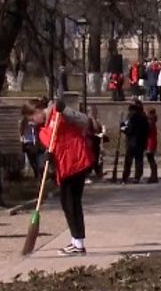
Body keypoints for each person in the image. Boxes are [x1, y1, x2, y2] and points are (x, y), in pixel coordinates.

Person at [21, 96, 95, 256]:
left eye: (32, 118)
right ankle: (76, 241)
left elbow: (84, 121)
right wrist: (48, 156)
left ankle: (78, 243)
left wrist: (65, 110)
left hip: (77, 160)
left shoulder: (58, 113)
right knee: (67, 203)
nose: (32, 122)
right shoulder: (42, 131)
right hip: (65, 167)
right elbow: (52, 148)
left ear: (38, 110)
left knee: (72, 202)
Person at [121, 102, 150, 184]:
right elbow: (147, 130)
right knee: (139, 160)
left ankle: (125, 177)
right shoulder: (143, 118)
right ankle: (137, 177)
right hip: (140, 143)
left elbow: (129, 130)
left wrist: (122, 127)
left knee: (128, 161)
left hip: (132, 143)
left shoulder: (132, 118)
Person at [20, 111, 44, 178]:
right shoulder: (24, 122)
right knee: (31, 159)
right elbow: (22, 132)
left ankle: (37, 173)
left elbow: (35, 133)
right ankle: (36, 173)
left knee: (34, 158)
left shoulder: (33, 123)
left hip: (32, 142)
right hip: (28, 142)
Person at [87, 106, 106, 180]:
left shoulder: (97, 120)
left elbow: (99, 128)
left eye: (95, 111)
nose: (94, 112)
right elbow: (87, 131)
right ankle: (90, 173)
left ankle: (98, 173)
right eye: (92, 111)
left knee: (97, 158)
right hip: (91, 142)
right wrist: (95, 135)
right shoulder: (88, 120)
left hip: (97, 142)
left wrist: (103, 132)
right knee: (92, 159)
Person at [145, 108, 159, 183]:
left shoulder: (150, 121)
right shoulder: (152, 121)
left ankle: (154, 176)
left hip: (150, 141)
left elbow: (148, 130)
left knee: (151, 159)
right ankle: (154, 175)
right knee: (151, 159)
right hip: (152, 141)